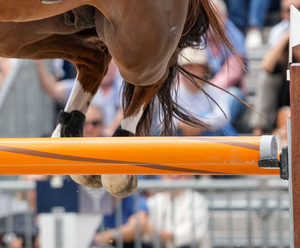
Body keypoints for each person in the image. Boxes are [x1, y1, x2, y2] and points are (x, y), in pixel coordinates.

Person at [86, 102, 150, 247]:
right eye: (84, 123)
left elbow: (141, 221)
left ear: (102, 125)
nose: (89, 128)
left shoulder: (116, 152)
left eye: (95, 123)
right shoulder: (67, 156)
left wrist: (108, 236)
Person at [250, 35, 300, 136]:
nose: (298, 45)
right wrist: (287, 36)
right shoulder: (285, 70)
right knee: (266, 78)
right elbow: (267, 65)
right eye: (295, 42)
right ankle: (259, 131)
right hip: (285, 120)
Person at [144, 174, 212, 248]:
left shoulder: (198, 200)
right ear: (162, 177)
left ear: (187, 177)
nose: (174, 176)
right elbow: (145, 234)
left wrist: (159, 233)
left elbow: (191, 235)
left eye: (180, 175)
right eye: (169, 175)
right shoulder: (155, 200)